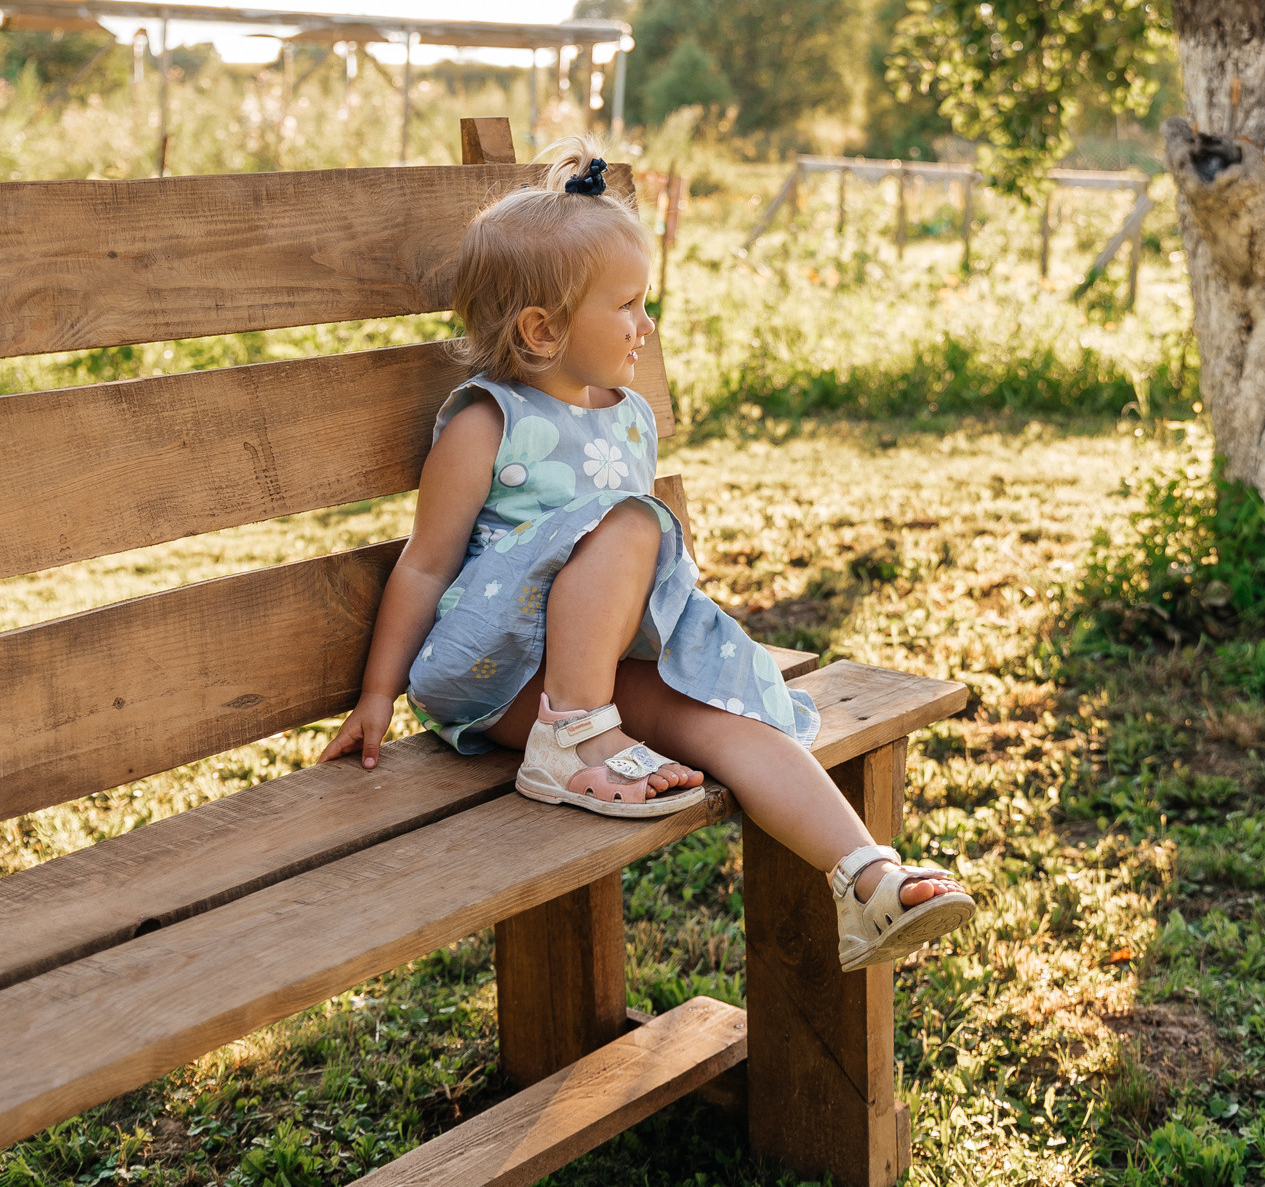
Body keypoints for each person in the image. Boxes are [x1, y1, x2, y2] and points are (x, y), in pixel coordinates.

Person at [318, 137, 974, 971]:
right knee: (633, 520)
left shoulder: (628, 414)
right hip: (496, 674)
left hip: (590, 665)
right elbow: (424, 564)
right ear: (542, 329)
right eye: (625, 305)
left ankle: (867, 877)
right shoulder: (488, 423)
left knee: (730, 724)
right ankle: (572, 737)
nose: (645, 324)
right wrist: (379, 691)